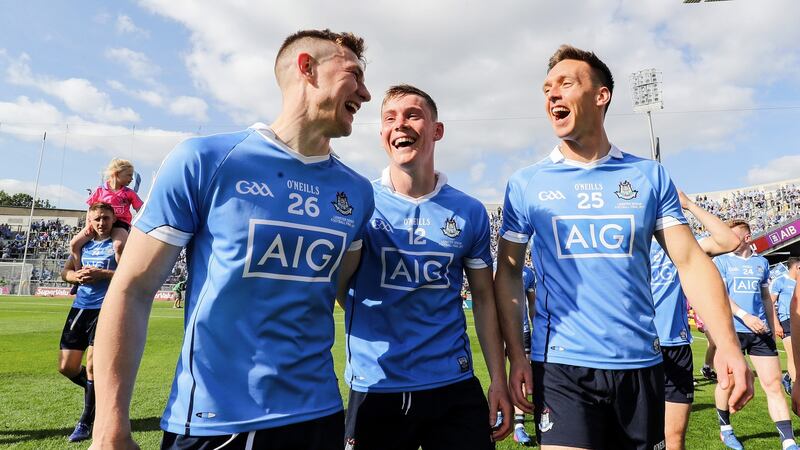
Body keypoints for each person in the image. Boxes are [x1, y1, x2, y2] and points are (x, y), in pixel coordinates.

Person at [88, 28, 373, 450]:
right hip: (215, 423)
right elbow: (131, 290)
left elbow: (340, 293)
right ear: (307, 68)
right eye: (354, 74)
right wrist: (110, 426)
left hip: (319, 417)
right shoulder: (205, 159)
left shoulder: (357, 192)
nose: (366, 94)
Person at [493, 44, 753, 450]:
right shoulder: (527, 183)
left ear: (601, 95)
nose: (552, 95)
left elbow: (690, 262)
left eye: (565, 84)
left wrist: (729, 346)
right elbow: (508, 271)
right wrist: (517, 356)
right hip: (562, 364)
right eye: (546, 88)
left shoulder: (649, 176)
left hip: (640, 363)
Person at [342, 84, 512, 450]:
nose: (400, 124)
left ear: (437, 130)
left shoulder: (469, 211)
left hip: (453, 384)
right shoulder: (360, 200)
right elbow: (340, 289)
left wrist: (498, 380)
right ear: (382, 135)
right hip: (378, 384)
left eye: (412, 115)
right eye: (390, 118)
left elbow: (483, 299)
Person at [649, 191, 740, 450]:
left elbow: (729, 240)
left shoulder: (684, 245)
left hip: (675, 346)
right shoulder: (631, 243)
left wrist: (689, 205)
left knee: (674, 439)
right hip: (637, 348)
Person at [713, 219, 797, 450]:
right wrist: (744, 315)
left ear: (747, 237)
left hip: (761, 332)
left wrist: (771, 325)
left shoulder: (762, 263)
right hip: (732, 331)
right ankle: (726, 429)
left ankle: (788, 441)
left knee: (773, 384)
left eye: (733, 236)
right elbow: (721, 296)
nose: (727, 240)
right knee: (727, 382)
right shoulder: (720, 261)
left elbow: (765, 300)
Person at [58, 202, 118, 442]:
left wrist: (102, 274)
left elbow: (129, 273)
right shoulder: (83, 246)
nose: (101, 222)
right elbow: (66, 272)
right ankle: (94, 390)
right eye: (97, 219)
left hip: (105, 309)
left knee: (93, 365)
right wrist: (74, 275)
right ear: (90, 222)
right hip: (80, 308)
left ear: (113, 219)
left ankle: (85, 422)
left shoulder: (118, 245)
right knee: (67, 367)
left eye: (105, 218)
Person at [70, 158, 143, 266]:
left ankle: (120, 274)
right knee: (74, 244)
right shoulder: (100, 190)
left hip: (120, 224)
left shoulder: (129, 193)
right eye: (129, 175)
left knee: (119, 245)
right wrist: (88, 225)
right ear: (117, 173)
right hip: (99, 223)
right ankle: (77, 271)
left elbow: (141, 210)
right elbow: (90, 209)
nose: (132, 178)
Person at [512, 264, 536, 446]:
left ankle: (519, 426)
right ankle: (498, 414)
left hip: (523, 330)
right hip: (499, 329)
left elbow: (533, 303)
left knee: (522, 377)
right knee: (501, 373)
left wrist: (539, 328)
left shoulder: (528, 273)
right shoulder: (492, 267)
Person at [771, 258, 799, 395]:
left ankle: (787, 377)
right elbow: (770, 303)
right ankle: (796, 389)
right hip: (786, 320)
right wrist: (776, 324)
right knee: (792, 355)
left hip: (798, 319)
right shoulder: (780, 281)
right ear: (797, 267)